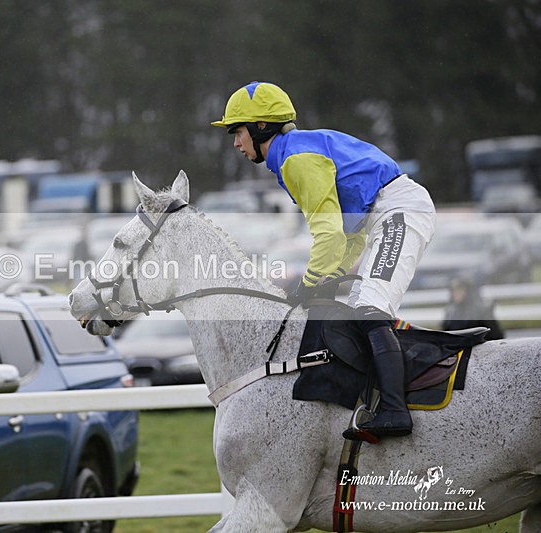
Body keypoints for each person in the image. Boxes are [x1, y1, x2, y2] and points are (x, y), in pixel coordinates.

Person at [212, 81, 437, 440]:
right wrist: (327, 279)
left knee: (369, 306)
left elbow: (330, 234)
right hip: (386, 213)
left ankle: (396, 411)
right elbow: (349, 232)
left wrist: (310, 283)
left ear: (261, 128)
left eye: (237, 132)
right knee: (352, 305)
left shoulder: (296, 160)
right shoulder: (295, 154)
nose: (235, 144)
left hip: (400, 210)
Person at [442, 276, 504, 340]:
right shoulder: (450, 312)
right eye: (453, 290)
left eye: (460, 289)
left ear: (468, 291)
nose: (456, 293)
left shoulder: (482, 310)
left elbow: (497, 336)